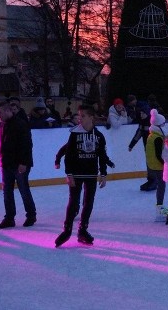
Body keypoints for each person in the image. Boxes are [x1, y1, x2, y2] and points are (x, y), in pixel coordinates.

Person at [54, 105, 109, 247]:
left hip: (91, 173)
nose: (80, 118)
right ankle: (67, 230)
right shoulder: (74, 134)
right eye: (79, 116)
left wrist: (103, 173)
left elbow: (102, 156)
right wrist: (69, 174)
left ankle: (83, 230)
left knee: (88, 202)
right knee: (73, 202)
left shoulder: (99, 136)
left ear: (91, 117)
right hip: (76, 174)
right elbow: (69, 156)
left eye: (83, 116)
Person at [0, 102, 37, 229]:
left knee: (24, 190)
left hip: (19, 165)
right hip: (5, 164)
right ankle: (9, 218)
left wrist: (23, 163)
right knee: (7, 192)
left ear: (7, 111)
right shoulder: (1, 127)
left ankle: (31, 215)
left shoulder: (20, 124)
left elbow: (27, 145)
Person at [145, 109, 168, 222]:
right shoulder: (158, 137)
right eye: (163, 123)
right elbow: (159, 154)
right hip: (158, 165)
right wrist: (165, 164)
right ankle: (160, 210)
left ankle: (160, 208)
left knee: (160, 185)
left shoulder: (152, 135)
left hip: (152, 164)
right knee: (161, 186)